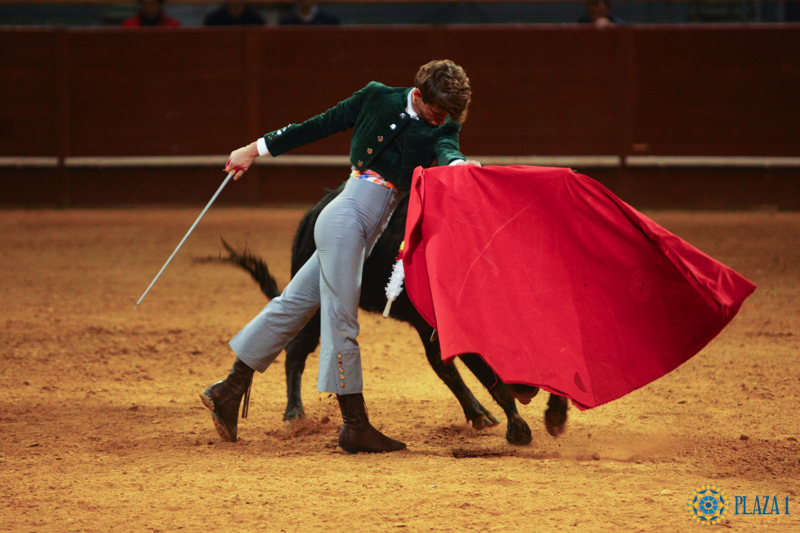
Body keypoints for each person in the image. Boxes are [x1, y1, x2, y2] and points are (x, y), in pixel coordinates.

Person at [200, 60, 478, 454]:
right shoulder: (375, 97)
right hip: (347, 218)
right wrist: (253, 150)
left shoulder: (444, 123)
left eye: (448, 116)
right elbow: (318, 124)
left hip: (363, 228)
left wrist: (458, 166)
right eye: (436, 113)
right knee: (341, 319)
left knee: (293, 306)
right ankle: (355, 425)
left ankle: (227, 390)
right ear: (418, 95)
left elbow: (448, 149)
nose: (440, 122)